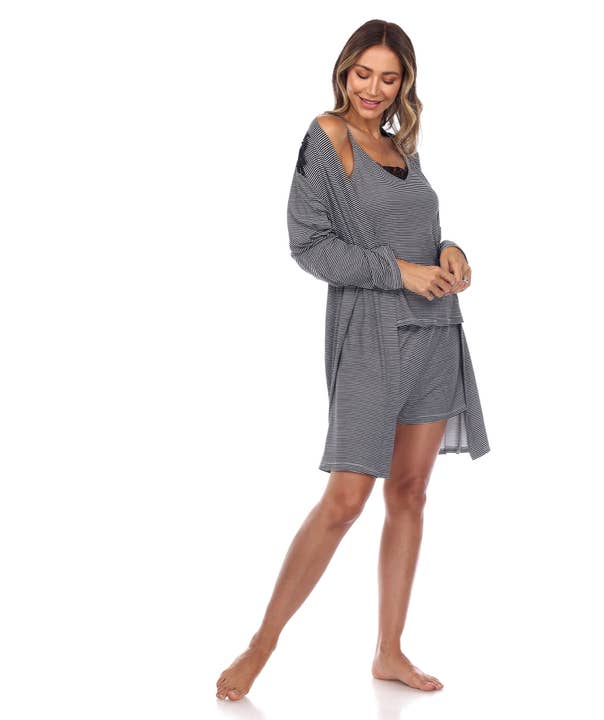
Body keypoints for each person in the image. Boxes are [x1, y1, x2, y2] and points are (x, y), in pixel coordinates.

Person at [216, 19, 490, 702]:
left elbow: (416, 232)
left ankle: (389, 652)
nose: (374, 88)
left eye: (389, 78)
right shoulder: (327, 135)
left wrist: (450, 250)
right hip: (369, 335)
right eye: (363, 73)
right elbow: (309, 245)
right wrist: (399, 272)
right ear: (344, 72)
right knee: (345, 501)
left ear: (405, 84)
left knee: (410, 493)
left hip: (435, 332)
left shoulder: (402, 147)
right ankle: (260, 645)